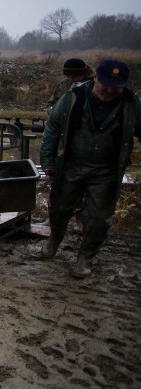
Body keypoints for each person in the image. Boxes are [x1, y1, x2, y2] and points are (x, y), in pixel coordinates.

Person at [39, 60, 141, 278]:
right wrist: (47, 160)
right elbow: (52, 127)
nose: (111, 90)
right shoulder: (73, 97)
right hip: (70, 165)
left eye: (117, 86)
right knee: (59, 209)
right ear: (95, 78)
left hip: (106, 171)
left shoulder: (131, 104)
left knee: (99, 218)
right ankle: (54, 240)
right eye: (106, 84)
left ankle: (85, 258)